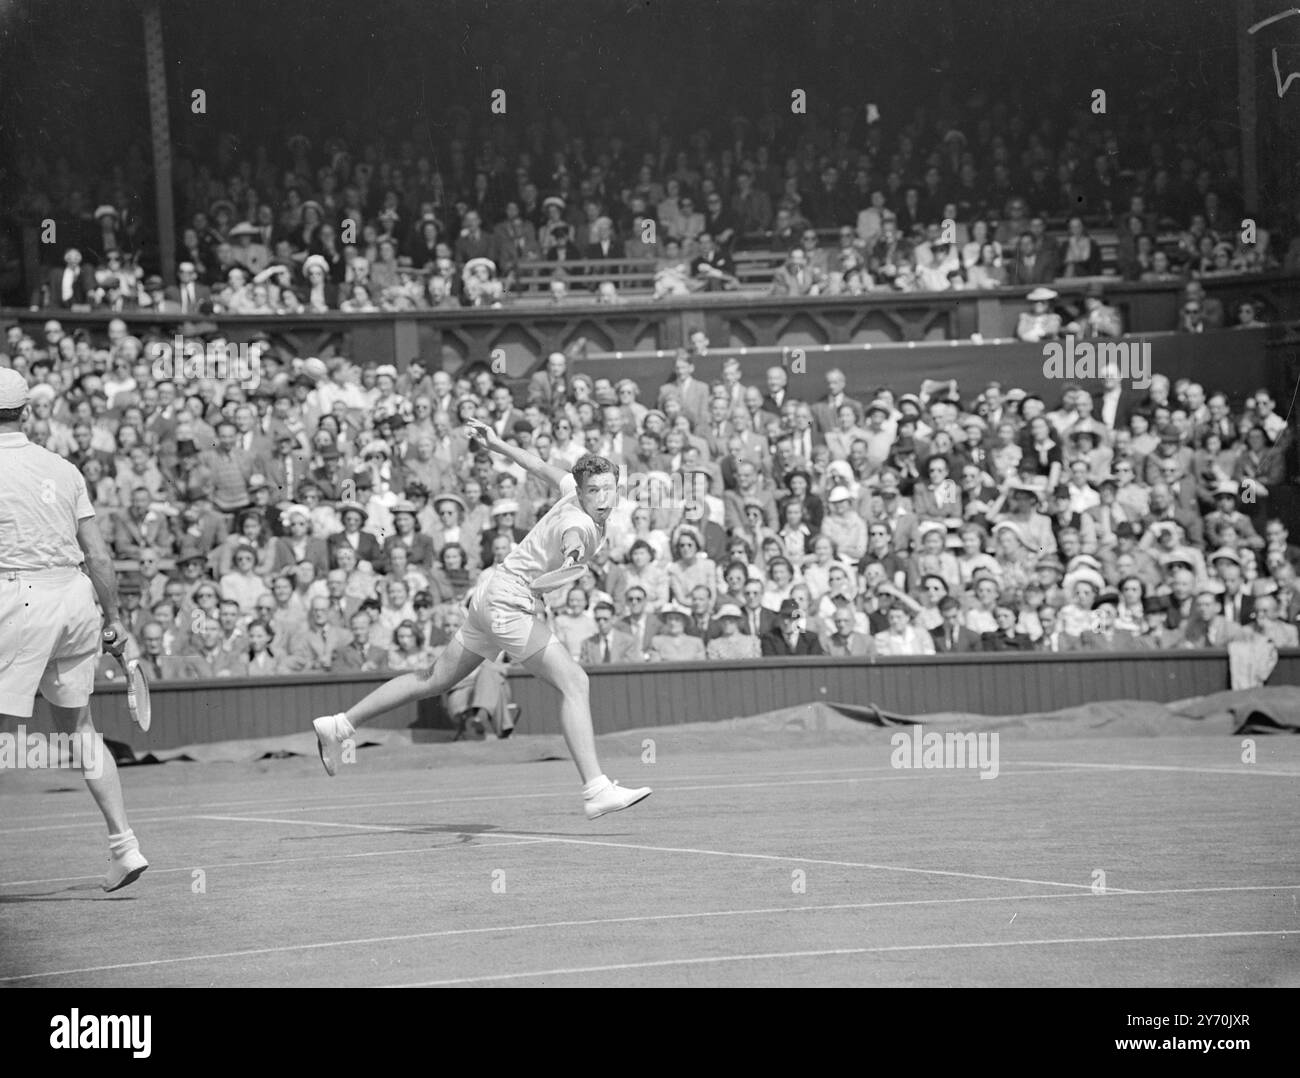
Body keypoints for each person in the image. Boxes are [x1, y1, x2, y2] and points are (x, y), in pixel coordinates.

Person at [311, 419, 651, 819]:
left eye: (609, 488)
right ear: (581, 491)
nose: (604, 497)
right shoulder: (576, 521)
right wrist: (574, 557)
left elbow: (539, 466)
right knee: (575, 682)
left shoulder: (572, 492)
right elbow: (571, 538)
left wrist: (499, 444)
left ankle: (340, 725)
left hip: (490, 594)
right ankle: (596, 789)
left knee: (433, 680)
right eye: (594, 491)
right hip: (508, 601)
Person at [0, 368, 148, 890]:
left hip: (17, 599)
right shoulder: (63, 469)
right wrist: (114, 620)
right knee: (80, 731)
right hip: (74, 598)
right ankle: (124, 846)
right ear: (27, 411)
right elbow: (99, 556)